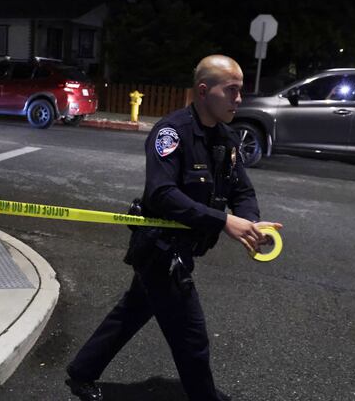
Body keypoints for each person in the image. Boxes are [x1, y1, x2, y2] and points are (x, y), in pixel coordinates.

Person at [65, 55, 283, 401]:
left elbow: (242, 190)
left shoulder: (225, 139)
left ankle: (81, 372)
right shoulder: (172, 133)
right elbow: (161, 194)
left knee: (133, 310)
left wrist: (252, 223)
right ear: (203, 90)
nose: (239, 99)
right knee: (191, 338)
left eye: (241, 91)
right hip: (160, 251)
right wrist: (224, 221)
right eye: (232, 90)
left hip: (184, 248)